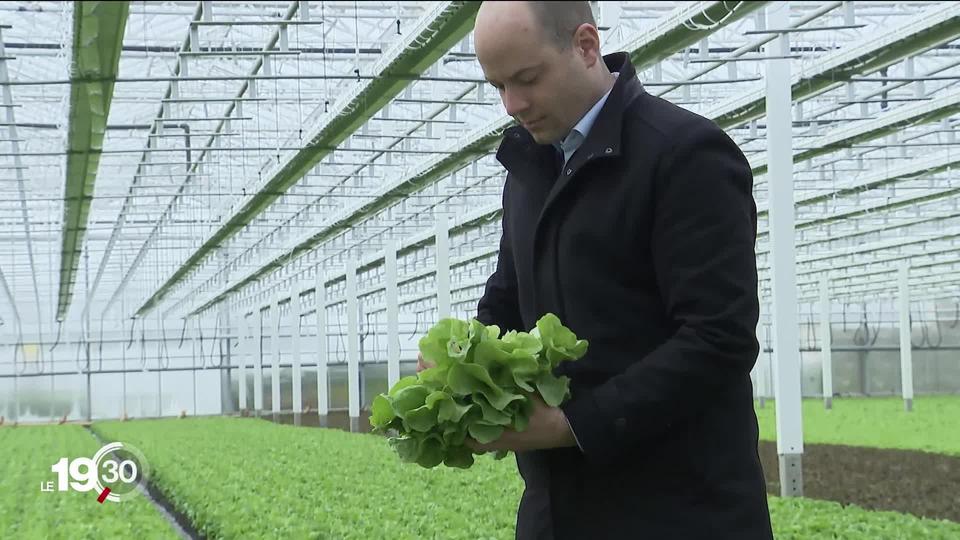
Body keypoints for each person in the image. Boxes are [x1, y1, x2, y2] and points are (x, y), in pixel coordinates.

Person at [419, 1, 773, 538]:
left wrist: (572, 425)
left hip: (681, 510)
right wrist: (464, 365)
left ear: (586, 46)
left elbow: (717, 339)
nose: (512, 104)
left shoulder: (684, 155)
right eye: (497, 87)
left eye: (527, 78)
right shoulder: (529, 167)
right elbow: (509, 297)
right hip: (559, 509)